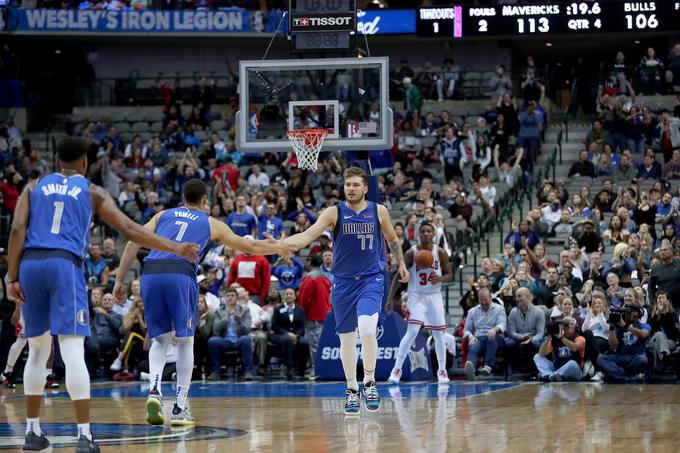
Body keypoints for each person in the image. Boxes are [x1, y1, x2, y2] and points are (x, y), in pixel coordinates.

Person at [6, 138, 201, 452]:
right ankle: (84, 436)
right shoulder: (92, 190)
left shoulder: (32, 186)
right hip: (64, 264)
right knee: (71, 350)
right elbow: (129, 229)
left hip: (30, 264)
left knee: (38, 351)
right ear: (85, 163)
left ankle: (32, 432)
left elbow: (16, 230)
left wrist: (12, 276)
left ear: (57, 161)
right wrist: (175, 247)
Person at [112, 179, 293, 427]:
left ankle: (154, 391)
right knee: (186, 341)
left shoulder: (163, 214)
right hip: (180, 273)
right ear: (205, 201)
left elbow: (132, 241)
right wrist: (278, 246)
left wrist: (120, 279)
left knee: (160, 339)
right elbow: (247, 245)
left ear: (183, 198)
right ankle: (179, 408)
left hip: (150, 273)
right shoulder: (211, 223)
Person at [283, 167, 409, 415]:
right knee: (347, 339)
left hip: (371, 280)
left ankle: (370, 382)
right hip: (342, 283)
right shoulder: (334, 212)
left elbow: (393, 240)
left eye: (355, 184)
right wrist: (280, 244)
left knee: (367, 329)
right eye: (347, 184)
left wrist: (401, 263)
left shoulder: (378, 211)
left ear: (365, 188)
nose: (350, 188)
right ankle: (352, 388)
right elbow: (306, 237)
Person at [387, 222, 453, 385]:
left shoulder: (440, 252)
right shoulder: (411, 252)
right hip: (416, 296)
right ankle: (397, 369)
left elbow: (450, 275)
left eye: (428, 231)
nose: (425, 234)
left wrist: (441, 278)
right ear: (418, 234)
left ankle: (442, 370)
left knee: (439, 334)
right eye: (422, 231)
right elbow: (398, 275)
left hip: (434, 296)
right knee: (412, 332)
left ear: (433, 234)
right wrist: (390, 298)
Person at [207, 288, 254, 382]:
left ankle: (247, 371)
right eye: (227, 296)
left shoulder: (245, 310)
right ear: (225, 298)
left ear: (237, 298)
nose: (230, 298)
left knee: (246, 339)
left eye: (232, 296)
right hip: (225, 340)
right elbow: (216, 329)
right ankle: (215, 372)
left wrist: (240, 321)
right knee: (212, 341)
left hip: (239, 339)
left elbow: (247, 330)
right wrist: (226, 317)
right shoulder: (219, 311)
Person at [596, 303, 650, 383]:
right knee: (600, 358)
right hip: (620, 357)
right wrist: (612, 327)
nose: (629, 313)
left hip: (635, 357)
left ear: (638, 314)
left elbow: (643, 334)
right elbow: (613, 346)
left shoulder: (644, 325)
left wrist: (625, 325)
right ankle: (627, 377)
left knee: (642, 359)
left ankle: (616, 375)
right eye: (627, 311)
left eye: (632, 311)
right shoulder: (619, 326)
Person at [462, 288, 507, 381]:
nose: (483, 302)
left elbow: (503, 324)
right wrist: (470, 336)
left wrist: (495, 330)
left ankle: (488, 367)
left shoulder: (499, 309)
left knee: (491, 338)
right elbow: (466, 330)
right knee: (473, 346)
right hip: (479, 337)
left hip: (496, 337)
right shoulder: (472, 311)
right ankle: (471, 369)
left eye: (485, 300)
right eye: (481, 300)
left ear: (490, 298)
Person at [270, 288, 310, 380]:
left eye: (291, 294)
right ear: (284, 296)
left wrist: (296, 336)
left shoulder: (300, 310)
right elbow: (275, 326)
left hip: (296, 335)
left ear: (295, 297)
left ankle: (302, 370)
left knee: (304, 343)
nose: (289, 296)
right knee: (286, 340)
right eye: (287, 294)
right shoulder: (278, 309)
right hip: (280, 335)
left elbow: (302, 326)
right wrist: (287, 334)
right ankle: (289, 368)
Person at [533, 317, 585, 382]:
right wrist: (549, 337)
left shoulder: (579, 338)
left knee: (572, 363)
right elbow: (542, 353)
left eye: (571, 324)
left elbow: (574, 348)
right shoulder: (555, 340)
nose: (569, 326)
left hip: (575, 372)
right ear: (562, 327)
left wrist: (561, 338)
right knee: (537, 357)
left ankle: (549, 376)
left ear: (576, 327)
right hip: (558, 369)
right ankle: (550, 375)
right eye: (566, 325)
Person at [506, 288, 545, 373]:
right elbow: (511, 331)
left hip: (533, 338)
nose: (517, 299)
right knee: (508, 344)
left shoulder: (539, 312)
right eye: (516, 296)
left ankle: (533, 370)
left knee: (535, 344)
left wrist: (531, 339)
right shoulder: (513, 312)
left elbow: (540, 333)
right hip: (517, 337)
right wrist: (520, 336)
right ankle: (510, 369)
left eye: (519, 296)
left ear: (527, 297)